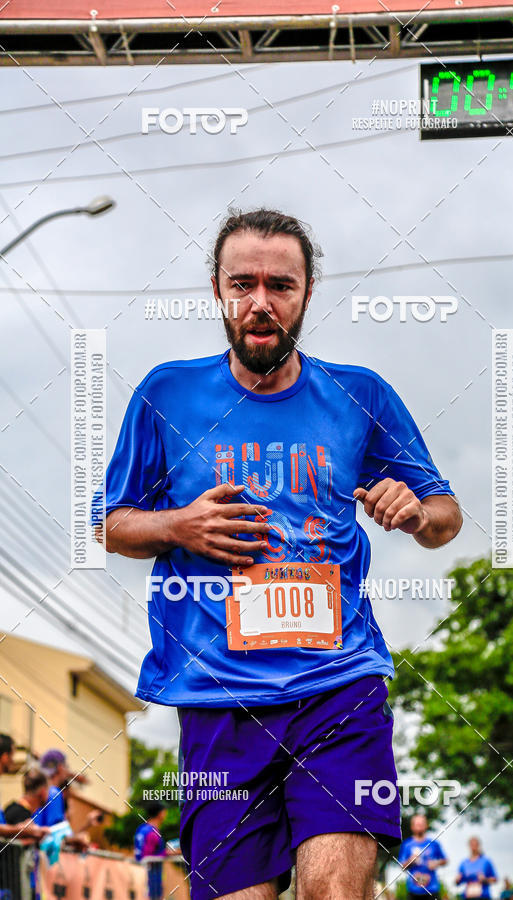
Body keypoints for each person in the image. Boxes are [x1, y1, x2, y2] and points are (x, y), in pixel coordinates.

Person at [99, 207, 462, 900]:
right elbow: (107, 523)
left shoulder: (360, 396)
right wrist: (180, 526)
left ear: (307, 294)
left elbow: (446, 516)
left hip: (339, 689)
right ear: (217, 291)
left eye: (280, 285)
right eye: (243, 284)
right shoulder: (166, 393)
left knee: (335, 891)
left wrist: (415, 513)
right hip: (217, 698)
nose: (260, 302)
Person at [0, 735, 48, 842]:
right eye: (11, 756)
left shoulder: (12, 807)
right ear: (4, 757)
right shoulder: (20, 812)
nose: (13, 761)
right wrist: (21, 830)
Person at [398, 814, 447, 899]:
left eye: (422, 824)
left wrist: (436, 863)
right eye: (417, 824)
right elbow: (402, 866)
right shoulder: (407, 845)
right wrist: (410, 860)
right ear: (412, 827)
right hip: (413, 890)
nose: (420, 827)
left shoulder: (433, 844)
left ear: (426, 826)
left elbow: (444, 860)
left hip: (432, 889)